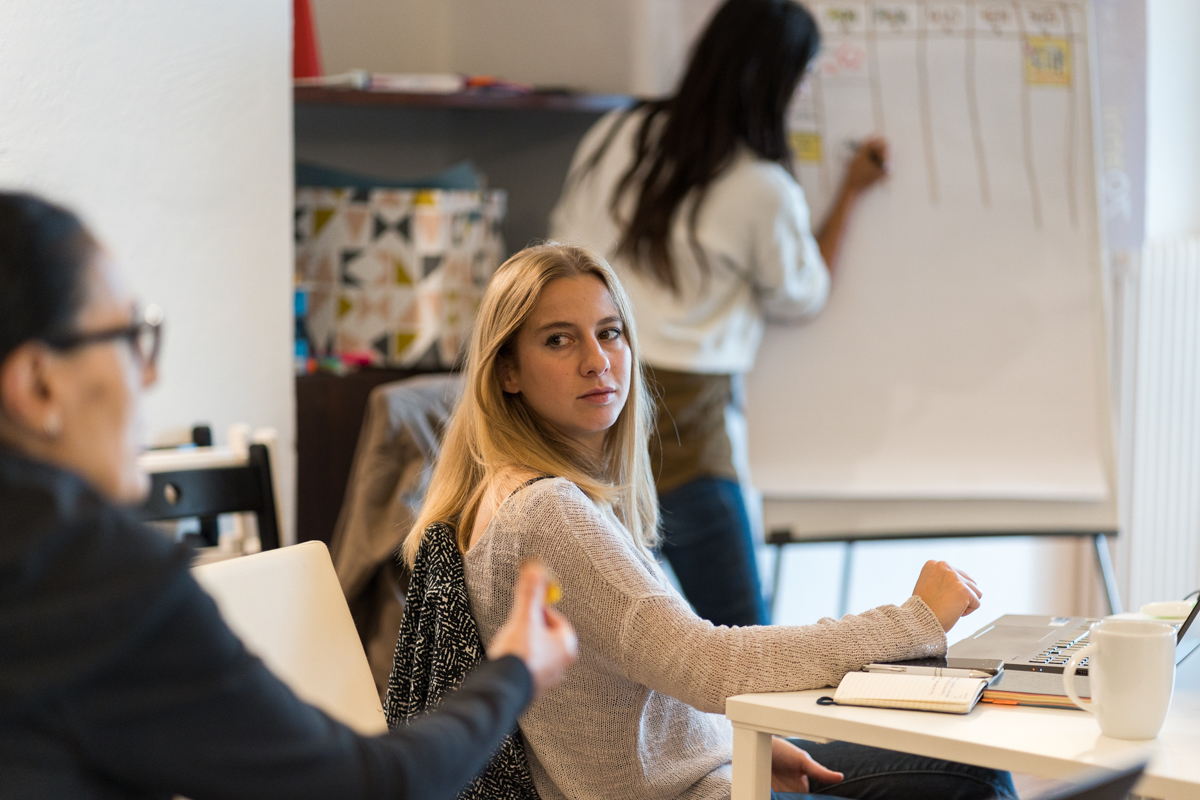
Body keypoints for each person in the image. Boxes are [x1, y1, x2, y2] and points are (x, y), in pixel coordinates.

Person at [0, 191, 578, 800]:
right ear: (38, 385)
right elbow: (367, 788)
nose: (149, 374)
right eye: (128, 336)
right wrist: (515, 669)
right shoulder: (89, 577)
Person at [399, 243, 1015, 800]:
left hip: (705, 770)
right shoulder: (547, 511)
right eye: (559, 340)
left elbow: (642, 679)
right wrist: (913, 621)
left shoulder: (513, 494)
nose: (597, 360)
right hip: (693, 793)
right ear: (507, 371)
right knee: (975, 778)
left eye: (610, 333)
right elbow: (707, 664)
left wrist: (735, 744)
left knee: (968, 769)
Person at [549, 0, 888, 626]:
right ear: (778, 81)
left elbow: (563, 248)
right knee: (745, 637)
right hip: (684, 423)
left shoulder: (620, 133)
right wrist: (850, 190)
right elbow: (802, 293)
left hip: (582, 402)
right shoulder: (760, 186)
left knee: (596, 634)